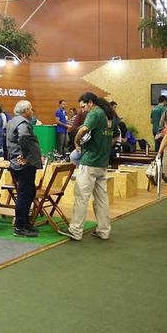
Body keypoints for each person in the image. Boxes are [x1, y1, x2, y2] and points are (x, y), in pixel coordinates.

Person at [58, 93, 114, 241]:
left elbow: (83, 130)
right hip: (102, 162)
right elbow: (114, 136)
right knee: (101, 199)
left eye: (83, 106)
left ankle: (75, 230)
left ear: (90, 102)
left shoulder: (95, 113)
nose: (83, 110)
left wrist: (76, 141)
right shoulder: (109, 115)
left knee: (81, 197)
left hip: (90, 162)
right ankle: (104, 230)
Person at [6, 100, 43, 238]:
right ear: (26, 110)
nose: (32, 111)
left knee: (29, 193)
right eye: (31, 109)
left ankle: (25, 223)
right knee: (24, 195)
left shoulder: (12, 122)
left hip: (17, 163)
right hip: (25, 165)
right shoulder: (22, 123)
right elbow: (22, 136)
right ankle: (20, 227)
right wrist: (26, 155)